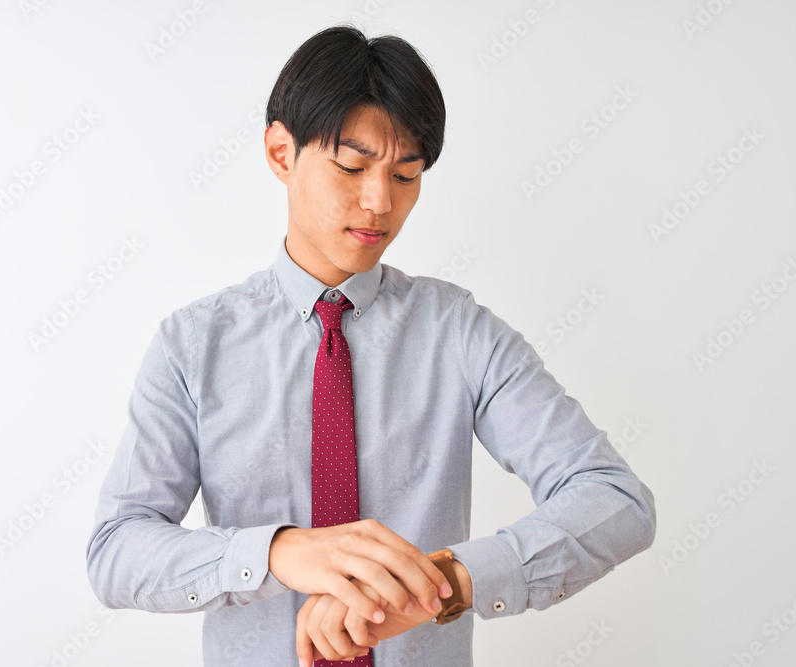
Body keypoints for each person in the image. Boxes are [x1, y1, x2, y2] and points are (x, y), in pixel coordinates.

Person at [85, 24, 656, 666]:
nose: (379, 202)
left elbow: (615, 499)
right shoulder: (193, 344)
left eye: (406, 175)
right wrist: (278, 553)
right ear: (281, 153)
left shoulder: (458, 332)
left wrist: (441, 582)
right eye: (352, 166)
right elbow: (117, 550)